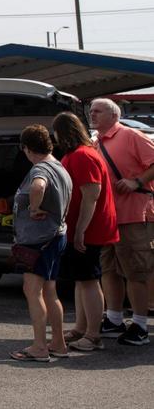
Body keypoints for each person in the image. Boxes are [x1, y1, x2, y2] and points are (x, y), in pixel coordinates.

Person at [89, 98, 154, 346]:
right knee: (109, 269)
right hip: (108, 219)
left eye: (98, 111)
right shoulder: (95, 142)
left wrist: (136, 182)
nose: (92, 114)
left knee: (135, 272)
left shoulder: (131, 135)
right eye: (91, 111)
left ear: (113, 115)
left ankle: (139, 325)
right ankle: (114, 319)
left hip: (134, 216)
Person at [54, 111, 117, 352]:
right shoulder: (80, 154)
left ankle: (93, 335)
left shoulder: (83, 156)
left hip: (89, 228)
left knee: (89, 280)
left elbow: (92, 195)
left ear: (63, 132)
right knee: (82, 280)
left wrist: (80, 230)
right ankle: (82, 328)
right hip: (84, 227)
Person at [9, 125, 73, 363]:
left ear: (26, 148)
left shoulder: (41, 168)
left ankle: (39, 347)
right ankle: (58, 343)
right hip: (56, 236)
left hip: (39, 240)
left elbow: (38, 185)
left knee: (32, 291)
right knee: (50, 291)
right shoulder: (60, 166)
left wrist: (34, 207)